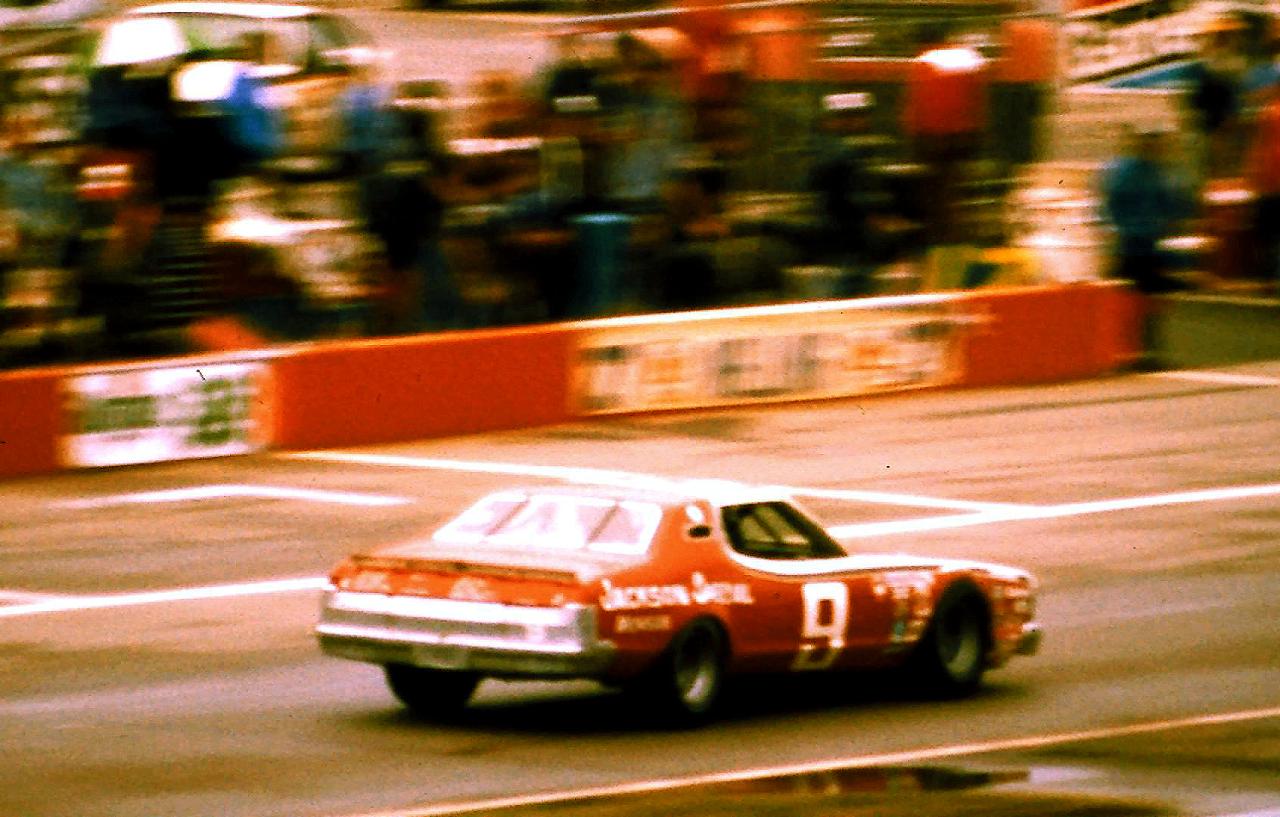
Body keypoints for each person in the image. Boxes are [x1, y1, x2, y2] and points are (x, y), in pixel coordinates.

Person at [1100, 127, 1193, 370]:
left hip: (1151, 244)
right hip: (1131, 244)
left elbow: (1171, 206)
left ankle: (1146, 351)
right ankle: (1128, 353)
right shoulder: (1126, 172)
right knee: (1133, 302)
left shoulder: (1155, 171)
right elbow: (1111, 208)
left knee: (1150, 302)